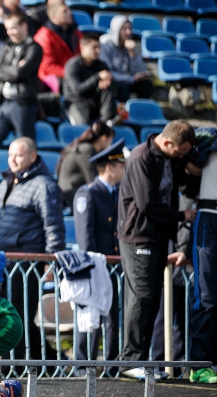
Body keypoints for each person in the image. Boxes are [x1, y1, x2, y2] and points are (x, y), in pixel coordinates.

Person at [118, 120, 198, 380]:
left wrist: (191, 162)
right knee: (141, 296)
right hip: (138, 236)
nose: (182, 156)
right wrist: (181, 215)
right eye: (180, 151)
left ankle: (139, 358)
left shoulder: (171, 158)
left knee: (151, 300)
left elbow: (188, 185)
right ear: (167, 143)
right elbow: (147, 203)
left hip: (158, 236)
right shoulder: (141, 157)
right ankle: (129, 360)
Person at [0, 137, 65, 364]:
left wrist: (50, 260)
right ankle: (45, 361)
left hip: (27, 263)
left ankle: (17, 365)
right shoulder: (4, 183)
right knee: (9, 315)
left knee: (19, 316)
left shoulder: (44, 185)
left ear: (32, 156)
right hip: (3, 262)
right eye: (10, 155)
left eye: (18, 155)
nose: (13, 160)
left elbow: (53, 225)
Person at [72, 138, 126, 372]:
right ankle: (85, 366)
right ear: (110, 167)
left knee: (113, 316)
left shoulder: (118, 193)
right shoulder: (88, 194)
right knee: (91, 317)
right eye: (121, 165)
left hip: (114, 265)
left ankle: (112, 365)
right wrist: (91, 266)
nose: (125, 169)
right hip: (95, 265)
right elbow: (86, 236)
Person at [189, 113, 217, 384]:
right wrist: (206, 148)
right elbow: (190, 167)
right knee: (207, 295)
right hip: (210, 216)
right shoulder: (208, 141)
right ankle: (199, 363)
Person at [0, 10, 42, 151]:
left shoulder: (34, 47)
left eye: (13, 28)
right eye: (7, 29)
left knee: (26, 146)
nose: (9, 32)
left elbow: (21, 72)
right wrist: (13, 70)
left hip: (23, 104)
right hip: (3, 103)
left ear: (24, 26)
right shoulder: (7, 45)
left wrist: (7, 69)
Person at [56, 121, 115, 209]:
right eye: (111, 139)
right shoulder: (87, 150)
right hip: (72, 195)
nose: (110, 144)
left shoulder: (85, 147)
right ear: (103, 138)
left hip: (72, 192)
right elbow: (91, 179)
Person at [63, 33, 117, 126]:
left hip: (95, 103)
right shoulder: (72, 65)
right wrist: (98, 77)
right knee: (83, 129)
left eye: (99, 47)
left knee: (108, 87)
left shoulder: (101, 65)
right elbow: (78, 90)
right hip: (77, 103)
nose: (98, 51)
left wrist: (108, 81)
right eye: (94, 47)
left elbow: (112, 83)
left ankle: (107, 122)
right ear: (82, 47)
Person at [99, 15, 152, 104]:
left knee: (146, 84)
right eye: (124, 29)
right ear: (117, 30)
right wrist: (131, 78)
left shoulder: (130, 46)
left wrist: (133, 55)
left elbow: (140, 70)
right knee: (123, 86)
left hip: (129, 79)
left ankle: (143, 110)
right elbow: (108, 73)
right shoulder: (105, 46)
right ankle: (123, 114)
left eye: (130, 28)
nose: (128, 32)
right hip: (115, 82)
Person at [33, 0, 81, 94]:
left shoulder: (76, 32)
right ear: (54, 16)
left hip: (72, 74)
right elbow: (47, 67)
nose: (70, 13)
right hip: (54, 78)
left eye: (69, 10)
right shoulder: (44, 36)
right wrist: (72, 73)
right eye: (64, 11)